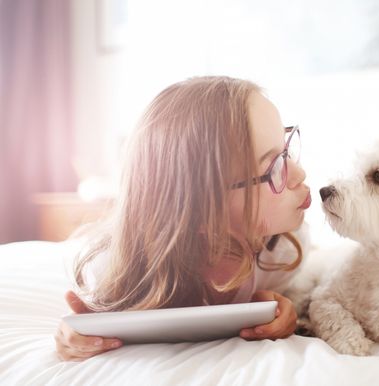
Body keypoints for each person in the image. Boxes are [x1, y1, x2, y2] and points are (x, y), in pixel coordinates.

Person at [54, 76, 312, 361]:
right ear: (203, 210)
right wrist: (77, 332)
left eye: (286, 149)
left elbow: (285, 301)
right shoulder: (109, 271)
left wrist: (281, 309)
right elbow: (80, 327)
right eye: (275, 167)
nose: (299, 174)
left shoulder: (283, 252)